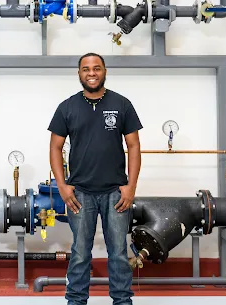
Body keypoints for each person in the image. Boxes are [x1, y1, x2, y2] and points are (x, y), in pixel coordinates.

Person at [47, 52, 143, 305]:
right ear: (79, 73)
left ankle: (122, 301)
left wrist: (130, 187)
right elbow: (55, 147)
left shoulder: (122, 104)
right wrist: (63, 186)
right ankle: (76, 301)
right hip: (80, 194)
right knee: (80, 252)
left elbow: (133, 146)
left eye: (96, 68)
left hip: (116, 193)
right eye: (86, 69)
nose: (92, 73)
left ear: (105, 71)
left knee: (119, 253)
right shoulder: (67, 107)